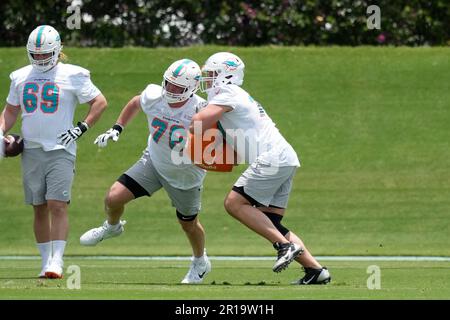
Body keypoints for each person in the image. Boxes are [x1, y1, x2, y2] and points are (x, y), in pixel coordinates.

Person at [190, 52, 331, 285]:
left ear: (226, 76)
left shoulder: (228, 92)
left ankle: (284, 246)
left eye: (212, 74)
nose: (207, 79)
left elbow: (198, 123)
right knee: (271, 222)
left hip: (272, 157)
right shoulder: (235, 95)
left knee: (234, 203)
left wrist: (190, 129)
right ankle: (316, 271)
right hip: (285, 157)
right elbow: (236, 146)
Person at [79, 59, 211, 284]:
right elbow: (135, 103)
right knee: (113, 197)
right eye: (168, 84)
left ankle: (201, 261)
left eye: (177, 87)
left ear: (191, 89)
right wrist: (117, 127)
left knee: (188, 224)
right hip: (153, 162)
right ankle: (112, 227)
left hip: (184, 174)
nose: (171, 90)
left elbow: (216, 143)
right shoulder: (154, 95)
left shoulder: (201, 109)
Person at [0, 25, 107, 279]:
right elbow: (11, 110)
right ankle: (44, 261)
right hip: (31, 149)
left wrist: (82, 127)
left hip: (61, 148)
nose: (39, 59)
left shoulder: (73, 74)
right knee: (38, 207)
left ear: (57, 51)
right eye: (34, 54)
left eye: (43, 54)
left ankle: (57, 261)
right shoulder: (20, 76)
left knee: (57, 204)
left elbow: (99, 102)